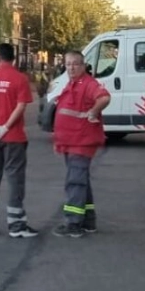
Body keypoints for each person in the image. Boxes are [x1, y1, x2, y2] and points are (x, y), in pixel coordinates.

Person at [0, 42, 38, 238]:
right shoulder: (20, 79)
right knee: (14, 179)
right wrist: (6, 127)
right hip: (13, 137)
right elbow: (20, 107)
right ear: (14, 58)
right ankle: (16, 224)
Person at [51, 49, 111, 238]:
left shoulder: (88, 83)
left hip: (81, 142)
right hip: (71, 142)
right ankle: (88, 221)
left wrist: (93, 112)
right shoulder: (72, 84)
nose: (71, 67)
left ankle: (73, 223)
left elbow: (104, 97)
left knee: (75, 182)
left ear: (83, 65)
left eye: (75, 64)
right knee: (81, 181)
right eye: (68, 64)